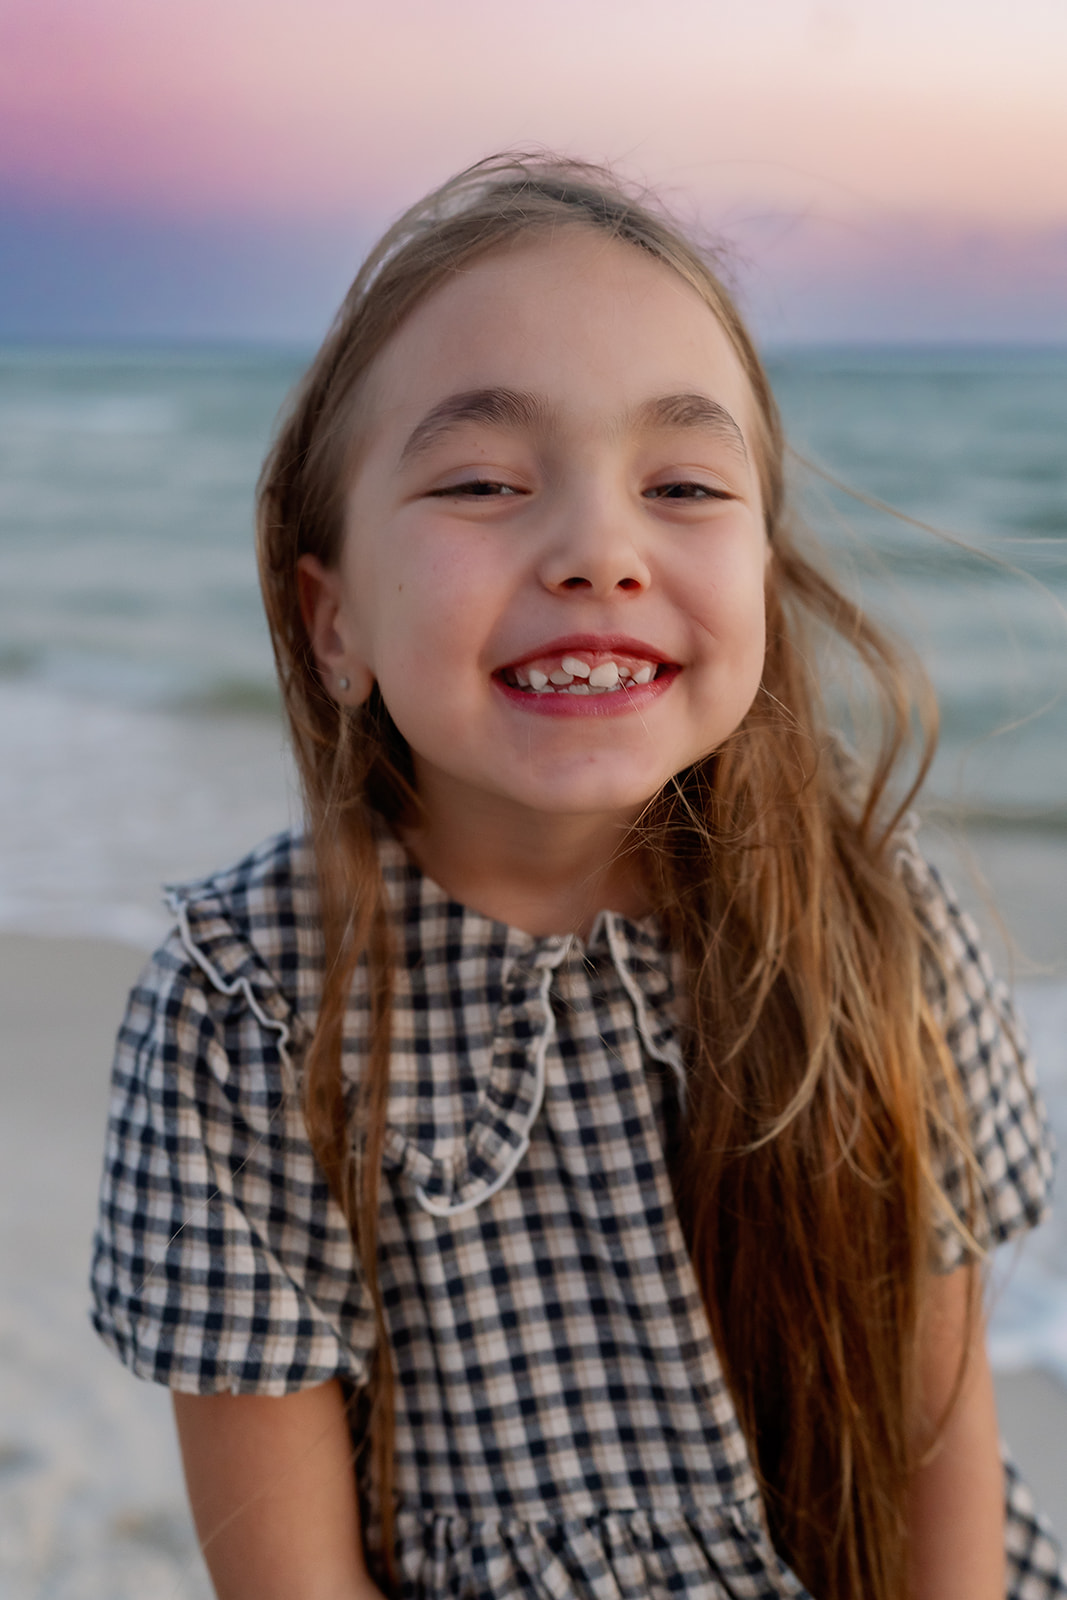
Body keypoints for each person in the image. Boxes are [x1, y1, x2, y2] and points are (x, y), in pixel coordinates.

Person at [91, 154, 1064, 1600]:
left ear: (761, 566)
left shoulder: (867, 919)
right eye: (484, 482)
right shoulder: (246, 1016)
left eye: (683, 484)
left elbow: (940, 1454)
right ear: (332, 619)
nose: (600, 552)